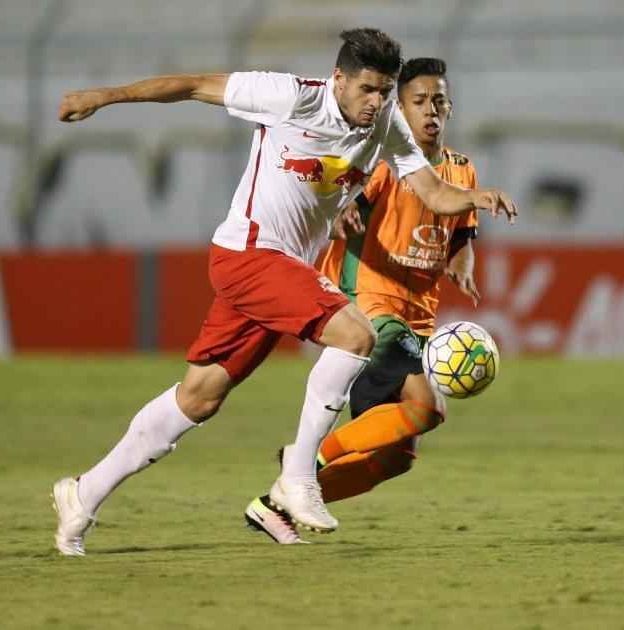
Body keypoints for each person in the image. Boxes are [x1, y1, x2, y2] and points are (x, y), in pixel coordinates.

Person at [51, 28, 517, 556]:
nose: (376, 102)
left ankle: (82, 494)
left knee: (198, 399)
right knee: (354, 334)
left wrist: (475, 196)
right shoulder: (289, 96)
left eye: (385, 91)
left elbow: (432, 188)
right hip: (249, 254)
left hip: (279, 273)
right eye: (367, 89)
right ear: (338, 79)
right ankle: (298, 477)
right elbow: (191, 85)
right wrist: (102, 96)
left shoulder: (385, 123)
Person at [243, 57, 481, 544]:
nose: (431, 110)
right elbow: (338, 199)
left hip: (419, 320)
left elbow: (461, 235)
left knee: (395, 459)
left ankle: (277, 507)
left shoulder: (462, 170)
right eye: (419, 102)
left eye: (439, 101)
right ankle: (302, 463)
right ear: (401, 109)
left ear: (450, 107)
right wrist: (341, 216)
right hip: (371, 305)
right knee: (427, 407)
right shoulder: (384, 162)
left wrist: (462, 261)